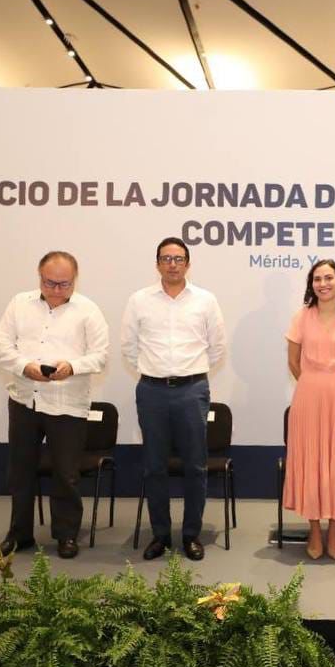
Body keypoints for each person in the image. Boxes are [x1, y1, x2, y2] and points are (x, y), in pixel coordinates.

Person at [0, 251, 109, 559]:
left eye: (64, 284)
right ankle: (19, 533)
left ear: (75, 280)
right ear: (39, 276)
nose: (57, 290)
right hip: (24, 399)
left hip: (67, 403)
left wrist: (72, 366)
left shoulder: (88, 310)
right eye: (50, 283)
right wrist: (24, 366)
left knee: (66, 474)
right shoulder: (19, 303)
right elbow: (1, 345)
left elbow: (100, 356)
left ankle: (66, 535)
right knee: (20, 472)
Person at [121, 237, 225, 561]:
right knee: (155, 467)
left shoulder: (205, 300)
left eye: (178, 259)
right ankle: (161, 535)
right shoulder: (139, 300)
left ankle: (191, 535)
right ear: (157, 264)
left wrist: (187, 373)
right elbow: (129, 347)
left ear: (187, 264)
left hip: (192, 390)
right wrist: (155, 371)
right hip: (151, 391)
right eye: (166, 259)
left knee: (195, 466)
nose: (172, 264)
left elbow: (217, 347)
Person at [282, 260, 335, 560]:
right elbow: (293, 361)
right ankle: (314, 531)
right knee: (312, 460)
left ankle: (334, 530)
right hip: (309, 397)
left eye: (329, 278)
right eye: (317, 279)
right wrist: (315, 384)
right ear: (311, 284)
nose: (323, 284)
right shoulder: (301, 317)